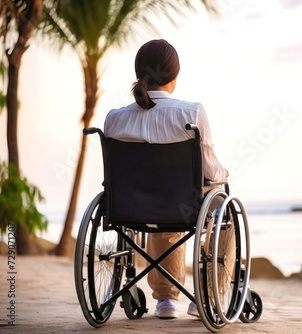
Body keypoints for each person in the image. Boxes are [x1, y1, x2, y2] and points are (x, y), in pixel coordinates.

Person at [104, 39, 228, 319]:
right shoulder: (191, 113)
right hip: (176, 204)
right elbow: (210, 171)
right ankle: (208, 296)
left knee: (164, 205)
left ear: (140, 75)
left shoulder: (114, 118)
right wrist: (224, 175)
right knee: (223, 208)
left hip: (127, 207)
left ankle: (166, 300)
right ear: (175, 76)